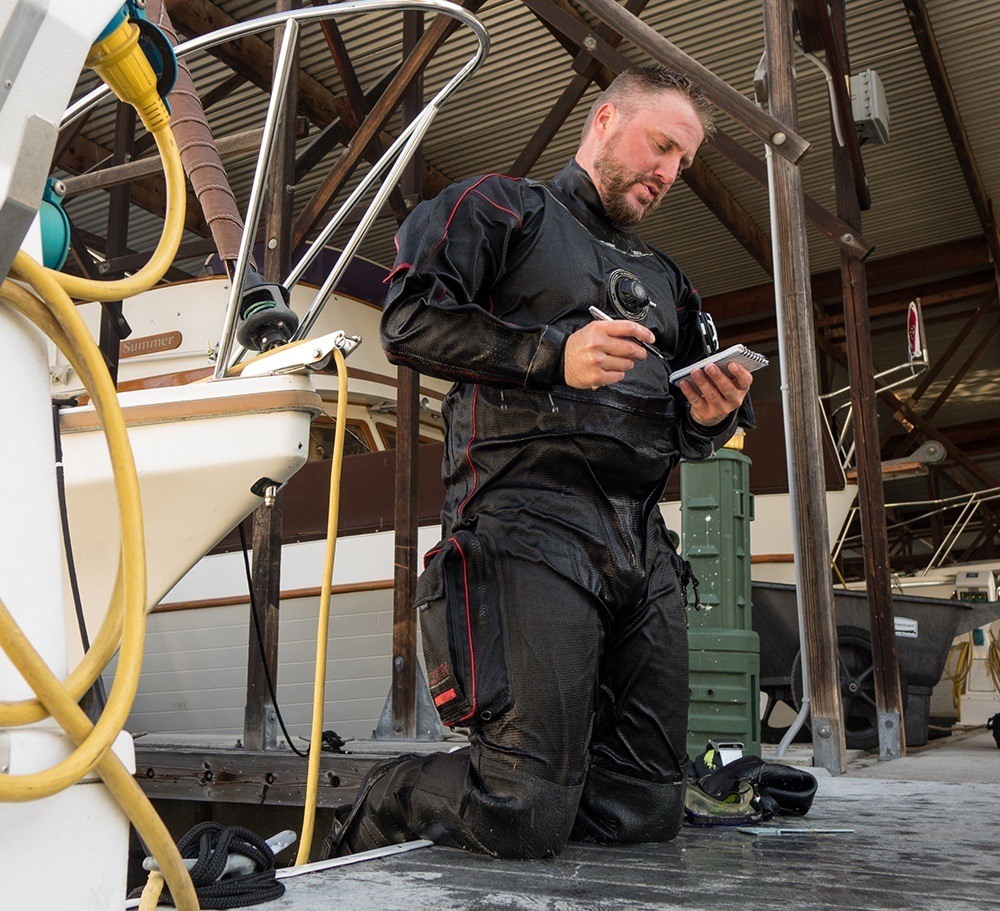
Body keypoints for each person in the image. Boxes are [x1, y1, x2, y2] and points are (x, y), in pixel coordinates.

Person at [329, 64, 754, 860]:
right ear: (602, 120)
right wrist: (551, 354)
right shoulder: (502, 207)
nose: (669, 173)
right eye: (661, 145)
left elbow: (699, 421)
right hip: (525, 521)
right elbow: (410, 319)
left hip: (639, 542)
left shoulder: (670, 280)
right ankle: (388, 794)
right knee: (519, 810)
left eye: (683, 164)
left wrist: (712, 415)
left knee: (644, 810)